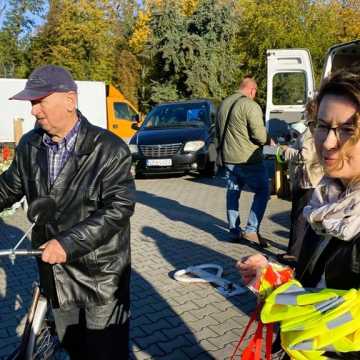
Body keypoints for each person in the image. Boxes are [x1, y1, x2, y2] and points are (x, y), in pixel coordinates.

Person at [0, 65, 135, 359]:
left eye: (40, 101)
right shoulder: (30, 145)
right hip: (55, 275)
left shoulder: (109, 148)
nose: (34, 111)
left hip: (100, 278)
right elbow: (8, 189)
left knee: (104, 352)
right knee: (74, 349)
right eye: (31, 103)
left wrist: (68, 243)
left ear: (70, 101)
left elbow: (119, 208)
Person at [237, 69, 360, 359]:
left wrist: (283, 300)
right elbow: (316, 287)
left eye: (347, 130)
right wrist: (271, 276)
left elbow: (339, 320)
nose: (328, 143)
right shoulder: (326, 208)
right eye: (322, 125)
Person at [217, 76, 273, 247]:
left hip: (228, 159)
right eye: (255, 93)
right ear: (252, 90)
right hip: (249, 160)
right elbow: (260, 136)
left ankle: (234, 231)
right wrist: (271, 141)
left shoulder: (224, 103)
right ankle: (251, 230)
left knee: (233, 193)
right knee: (263, 191)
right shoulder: (250, 105)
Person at [276, 117, 323, 264]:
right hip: (308, 180)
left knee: (299, 218)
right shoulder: (313, 130)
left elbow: (306, 155)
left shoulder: (311, 131)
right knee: (299, 217)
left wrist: (287, 151)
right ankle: (295, 252)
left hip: (308, 182)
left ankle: (294, 254)